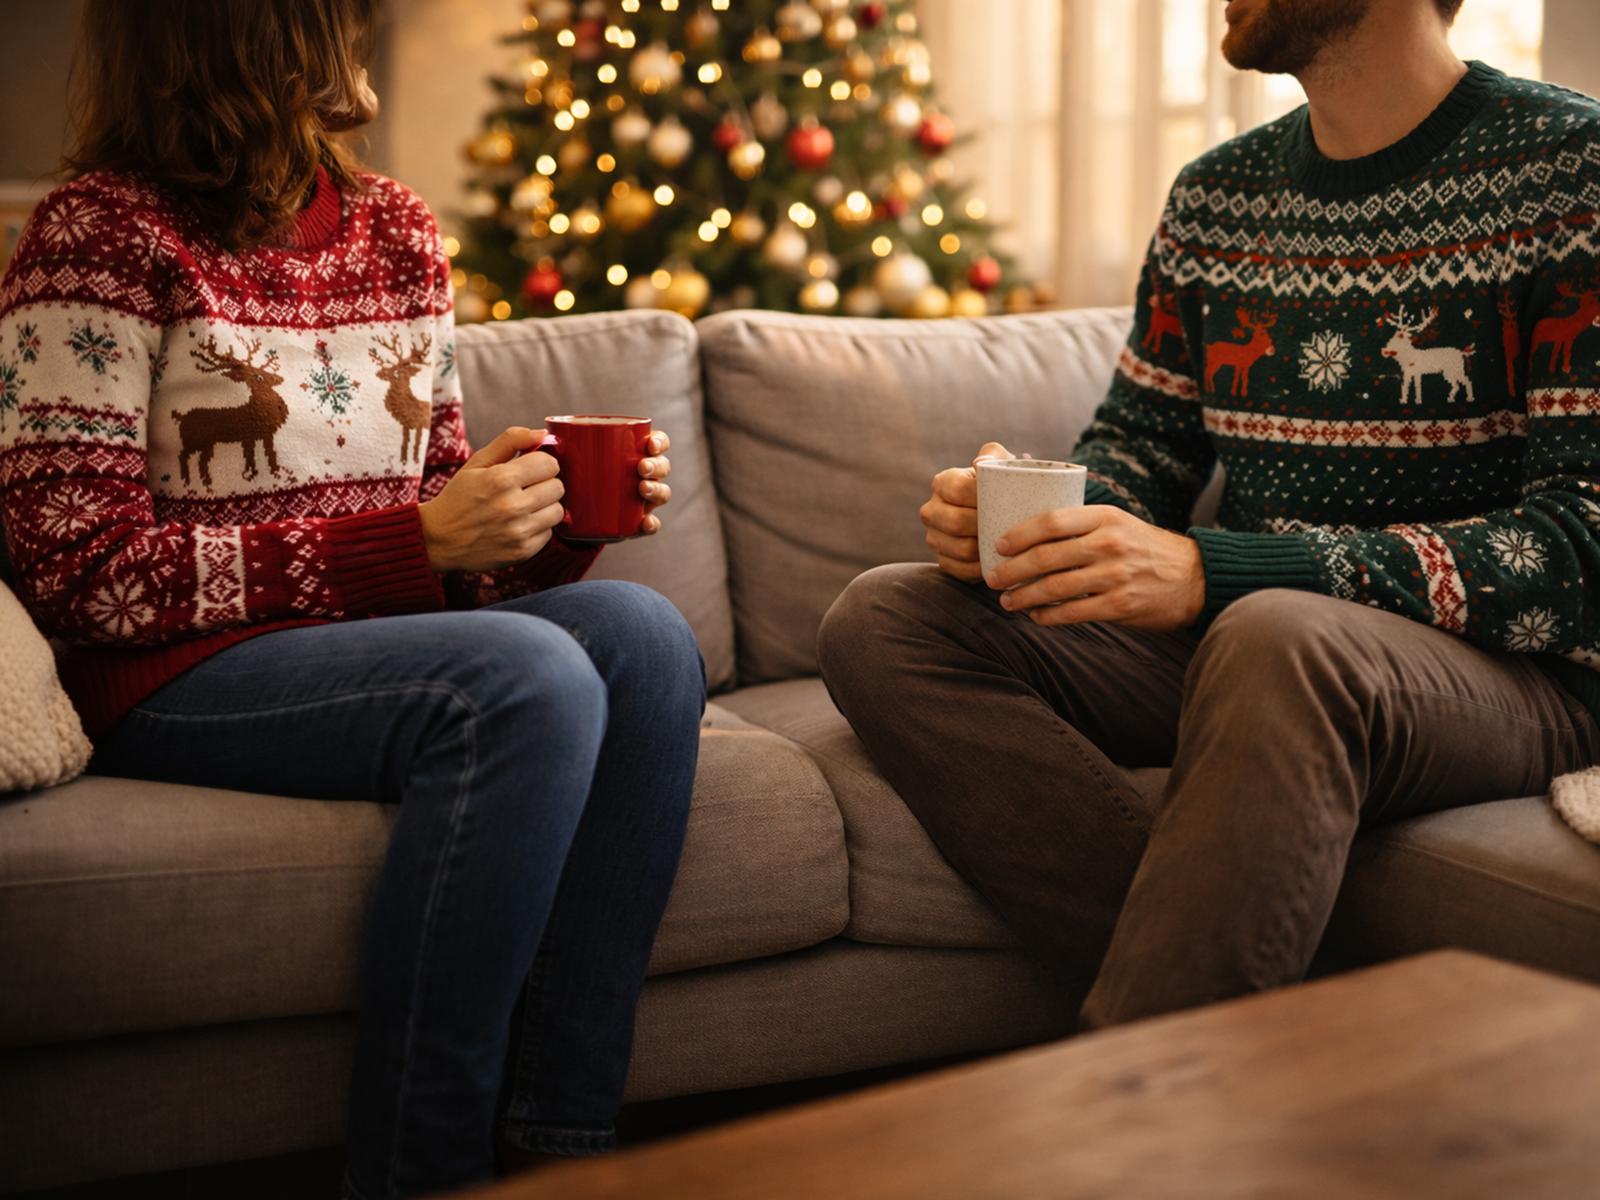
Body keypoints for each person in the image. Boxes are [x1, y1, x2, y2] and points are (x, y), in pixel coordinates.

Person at [0, 2, 705, 1196]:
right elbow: (82, 571)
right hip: (177, 673)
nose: (360, 40)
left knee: (644, 637)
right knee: (523, 681)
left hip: (375, 649)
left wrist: (545, 521)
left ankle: (562, 1142)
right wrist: (415, 541)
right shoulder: (97, 234)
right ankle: (419, 1171)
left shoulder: (396, 228)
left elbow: (441, 530)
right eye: (333, 19)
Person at [820, 0, 1600, 1031]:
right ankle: (1237, 1012)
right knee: (887, 619)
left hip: (1518, 676)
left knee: (1275, 633)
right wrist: (1037, 514)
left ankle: (1151, 1115)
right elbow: (1141, 450)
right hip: (1253, 644)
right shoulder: (1215, 196)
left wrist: (1211, 572)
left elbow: (1581, 544)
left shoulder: (1568, 169)